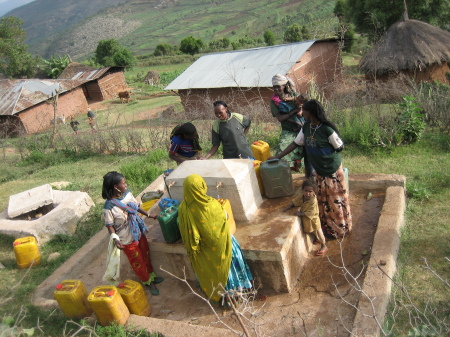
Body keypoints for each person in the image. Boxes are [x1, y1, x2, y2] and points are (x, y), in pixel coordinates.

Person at [271, 99, 352, 238]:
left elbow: (340, 147)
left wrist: (324, 155)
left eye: (304, 111)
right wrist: (278, 156)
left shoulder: (327, 129)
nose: (301, 113)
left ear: (311, 113)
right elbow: (295, 143)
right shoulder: (306, 127)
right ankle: (328, 229)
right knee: (323, 201)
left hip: (331, 171)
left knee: (335, 201)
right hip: (320, 171)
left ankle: (340, 230)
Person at [178, 174, 255, 305]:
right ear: (202, 187)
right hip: (223, 245)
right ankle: (236, 296)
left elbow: (186, 231)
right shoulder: (213, 204)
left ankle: (222, 298)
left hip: (203, 253)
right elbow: (224, 217)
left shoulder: (183, 209)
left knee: (210, 271)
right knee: (229, 268)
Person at [102, 171, 164, 295]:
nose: (125, 185)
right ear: (116, 187)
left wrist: (149, 215)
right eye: (123, 183)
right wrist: (116, 240)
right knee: (138, 261)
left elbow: (136, 207)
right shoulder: (108, 208)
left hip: (137, 232)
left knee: (145, 255)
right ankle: (148, 282)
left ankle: (152, 276)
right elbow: (110, 226)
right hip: (126, 238)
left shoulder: (128, 194)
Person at [270, 74, 308, 173]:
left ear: (285, 85)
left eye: (279, 86)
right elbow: (280, 118)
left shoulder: (295, 96)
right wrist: (294, 111)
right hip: (288, 130)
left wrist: (299, 111)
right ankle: (286, 174)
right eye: (274, 87)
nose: (276, 89)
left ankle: (303, 171)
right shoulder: (274, 101)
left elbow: (303, 112)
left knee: (307, 152)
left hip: (302, 128)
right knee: (282, 151)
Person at [284, 179, 328, 256]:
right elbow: (296, 201)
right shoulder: (302, 196)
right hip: (307, 219)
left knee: (318, 231)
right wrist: (289, 206)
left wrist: (300, 213)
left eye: (310, 191)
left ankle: (324, 245)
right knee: (313, 231)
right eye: (305, 191)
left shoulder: (313, 201)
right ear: (302, 190)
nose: (307, 193)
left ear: (314, 191)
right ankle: (317, 239)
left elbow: (311, 212)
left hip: (313, 220)